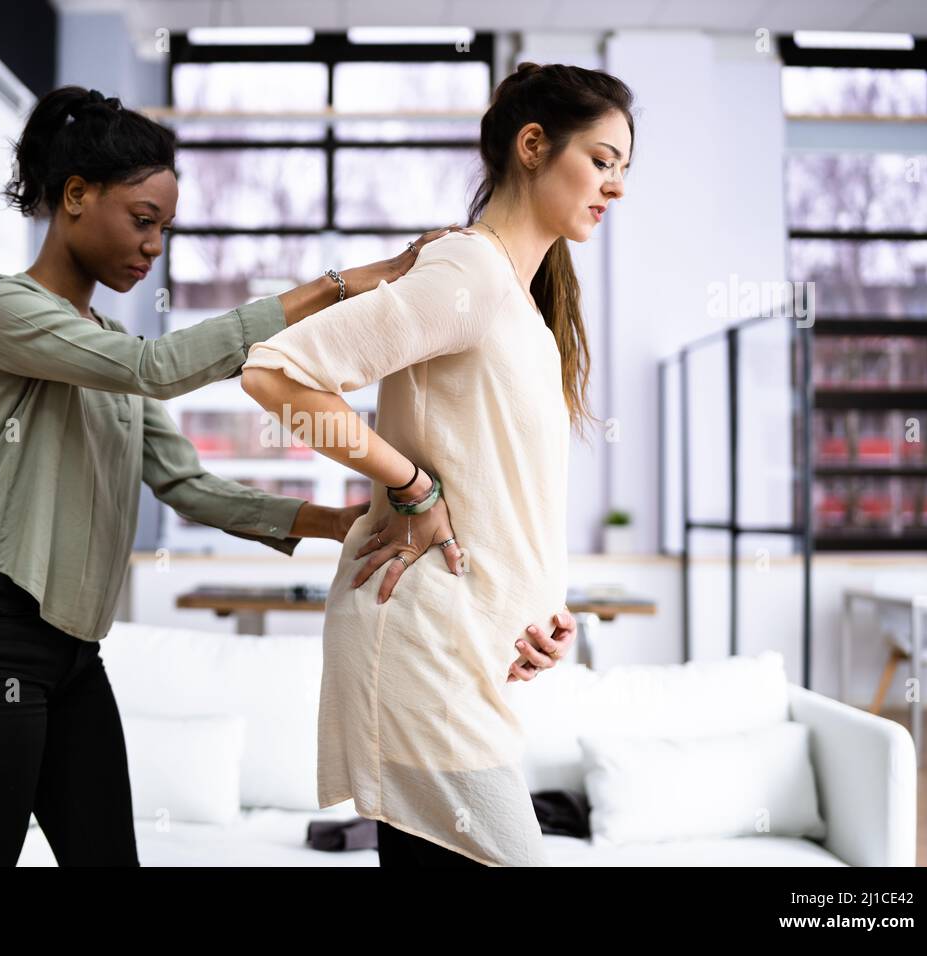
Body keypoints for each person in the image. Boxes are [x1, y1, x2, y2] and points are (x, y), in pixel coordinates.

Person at [0, 85, 470, 866]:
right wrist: (343, 283)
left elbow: (189, 486)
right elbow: (157, 366)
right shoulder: (1, 309)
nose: (153, 246)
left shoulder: (101, 348)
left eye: (165, 229)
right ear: (75, 196)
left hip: (73, 655)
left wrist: (337, 525)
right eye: (142, 220)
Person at [241, 62, 634, 866]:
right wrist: (410, 485)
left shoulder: (519, 302)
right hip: (422, 650)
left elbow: (504, 488)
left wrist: (543, 612)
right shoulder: (469, 271)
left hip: (472, 658)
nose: (615, 187)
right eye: (602, 160)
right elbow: (274, 373)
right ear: (533, 145)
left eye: (623, 170)